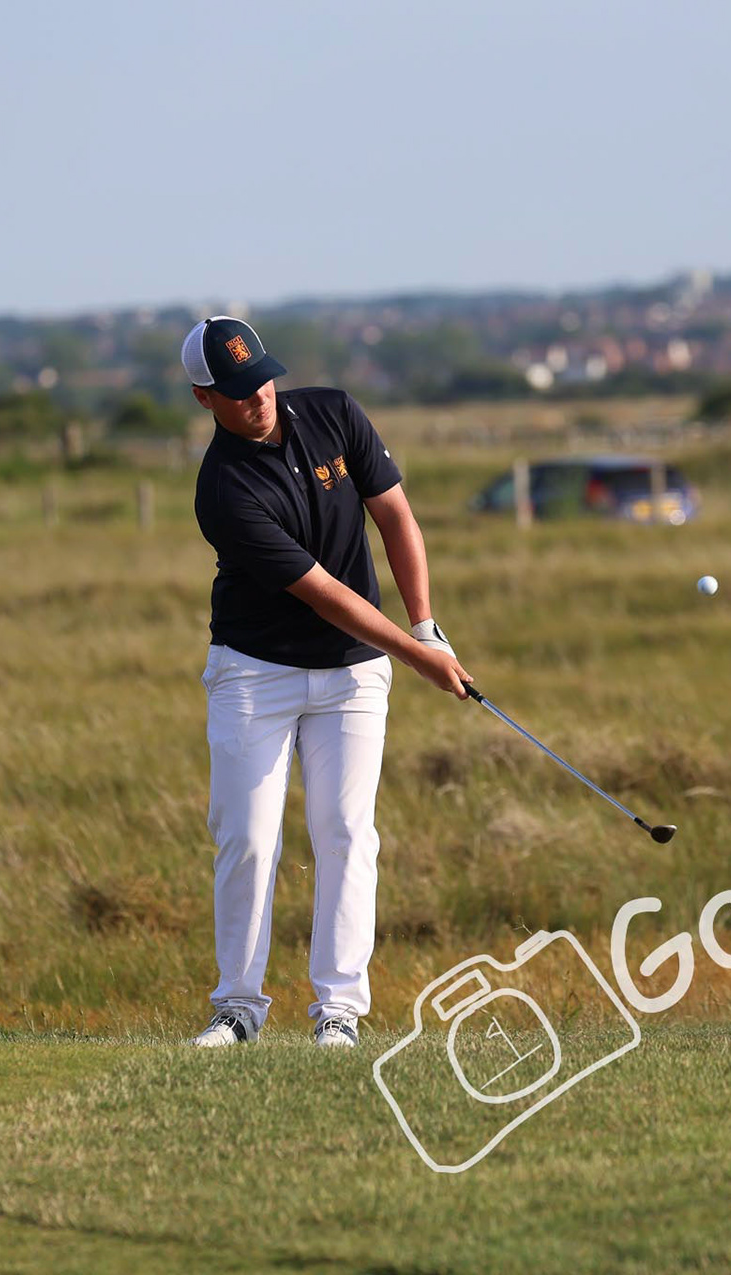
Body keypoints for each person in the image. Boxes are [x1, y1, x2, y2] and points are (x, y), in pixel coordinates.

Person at [183, 316, 471, 1051]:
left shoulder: (334, 412)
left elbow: (395, 516)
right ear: (204, 398)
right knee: (247, 838)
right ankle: (238, 1008)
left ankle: (338, 1011)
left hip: (352, 676)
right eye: (239, 391)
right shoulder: (223, 489)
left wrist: (427, 624)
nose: (260, 397)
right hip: (256, 671)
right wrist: (414, 655)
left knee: (345, 833)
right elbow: (321, 592)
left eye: (264, 378)